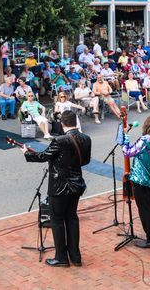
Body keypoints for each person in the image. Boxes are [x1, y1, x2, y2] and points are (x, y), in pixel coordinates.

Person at [22, 110, 91, 267]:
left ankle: (61, 257)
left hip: (59, 187)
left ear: (62, 124)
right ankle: (75, 256)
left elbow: (43, 156)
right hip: (77, 185)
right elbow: (85, 161)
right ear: (75, 122)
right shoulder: (86, 138)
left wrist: (27, 153)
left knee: (57, 221)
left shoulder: (60, 140)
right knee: (72, 218)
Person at [122, 114, 150, 248]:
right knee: (149, 206)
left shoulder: (145, 140)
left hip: (140, 179)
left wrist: (125, 137)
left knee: (144, 209)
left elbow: (127, 152)